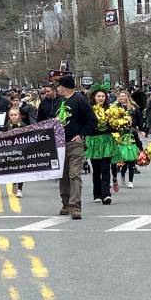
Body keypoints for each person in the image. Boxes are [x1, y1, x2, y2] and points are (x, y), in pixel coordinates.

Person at [56, 75, 97, 219]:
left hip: (75, 143)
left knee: (74, 175)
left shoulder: (80, 100)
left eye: (59, 86)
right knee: (63, 176)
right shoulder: (59, 102)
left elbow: (92, 120)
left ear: (65, 86)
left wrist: (81, 134)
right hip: (60, 144)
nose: (57, 88)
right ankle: (65, 204)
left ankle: (75, 207)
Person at [85, 86, 115, 205]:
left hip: (107, 139)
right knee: (96, 169)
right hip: (93, 140)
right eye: (99, 96)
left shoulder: (111, 109)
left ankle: (106, 194)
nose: (101, 98)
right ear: (94, 97)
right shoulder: (89, 109)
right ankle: (97, 194)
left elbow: (116, 123)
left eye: (103, 96)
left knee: (105, 168)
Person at [4, 107, 25, 198]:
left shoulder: (24, 126)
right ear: (9, 116)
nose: (13, 117)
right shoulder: (6, 127)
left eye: (15, 115)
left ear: (19, 115)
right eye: (11, 115)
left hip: (22, 152)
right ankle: (14, 182)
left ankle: (20, 189)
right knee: (13, 170)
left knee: (21, 170)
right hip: (10, 153)